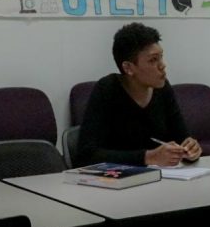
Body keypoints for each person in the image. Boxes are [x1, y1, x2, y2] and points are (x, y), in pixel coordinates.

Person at [74, 22, 202, 167]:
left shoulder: (162, 87)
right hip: (115, 182)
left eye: (161, 57)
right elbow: (86, 155)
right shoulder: (107, 89)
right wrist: (147, 157)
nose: (162, 65)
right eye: (153, 60)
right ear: (128, 68)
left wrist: (190, 150)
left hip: (160, 179)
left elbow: (181, 139)